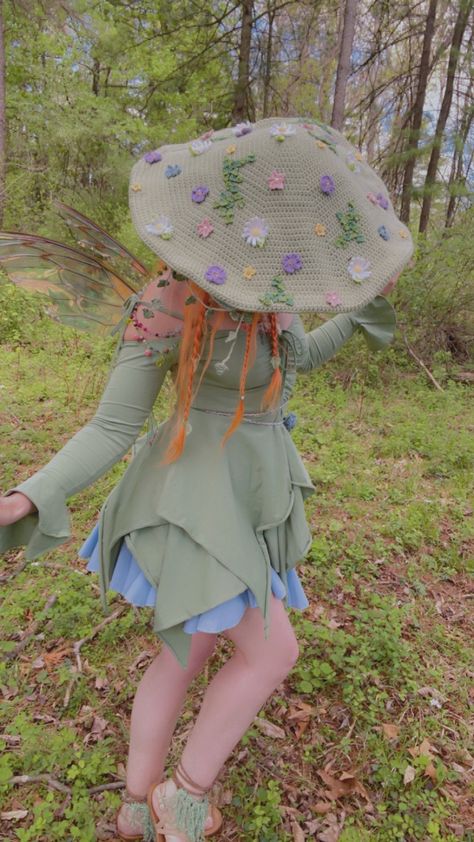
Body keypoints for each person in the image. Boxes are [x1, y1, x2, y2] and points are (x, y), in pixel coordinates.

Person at [0, 117, 412, 842]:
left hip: (246, 493)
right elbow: (113, 425)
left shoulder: (272, 289)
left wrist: (358, 305)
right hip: (195, 501)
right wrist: (30, 492)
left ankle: (133, 808)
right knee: (273, 651)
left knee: (183, 651)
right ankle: (181, 797)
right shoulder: (167, 301)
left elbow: (298, 362)